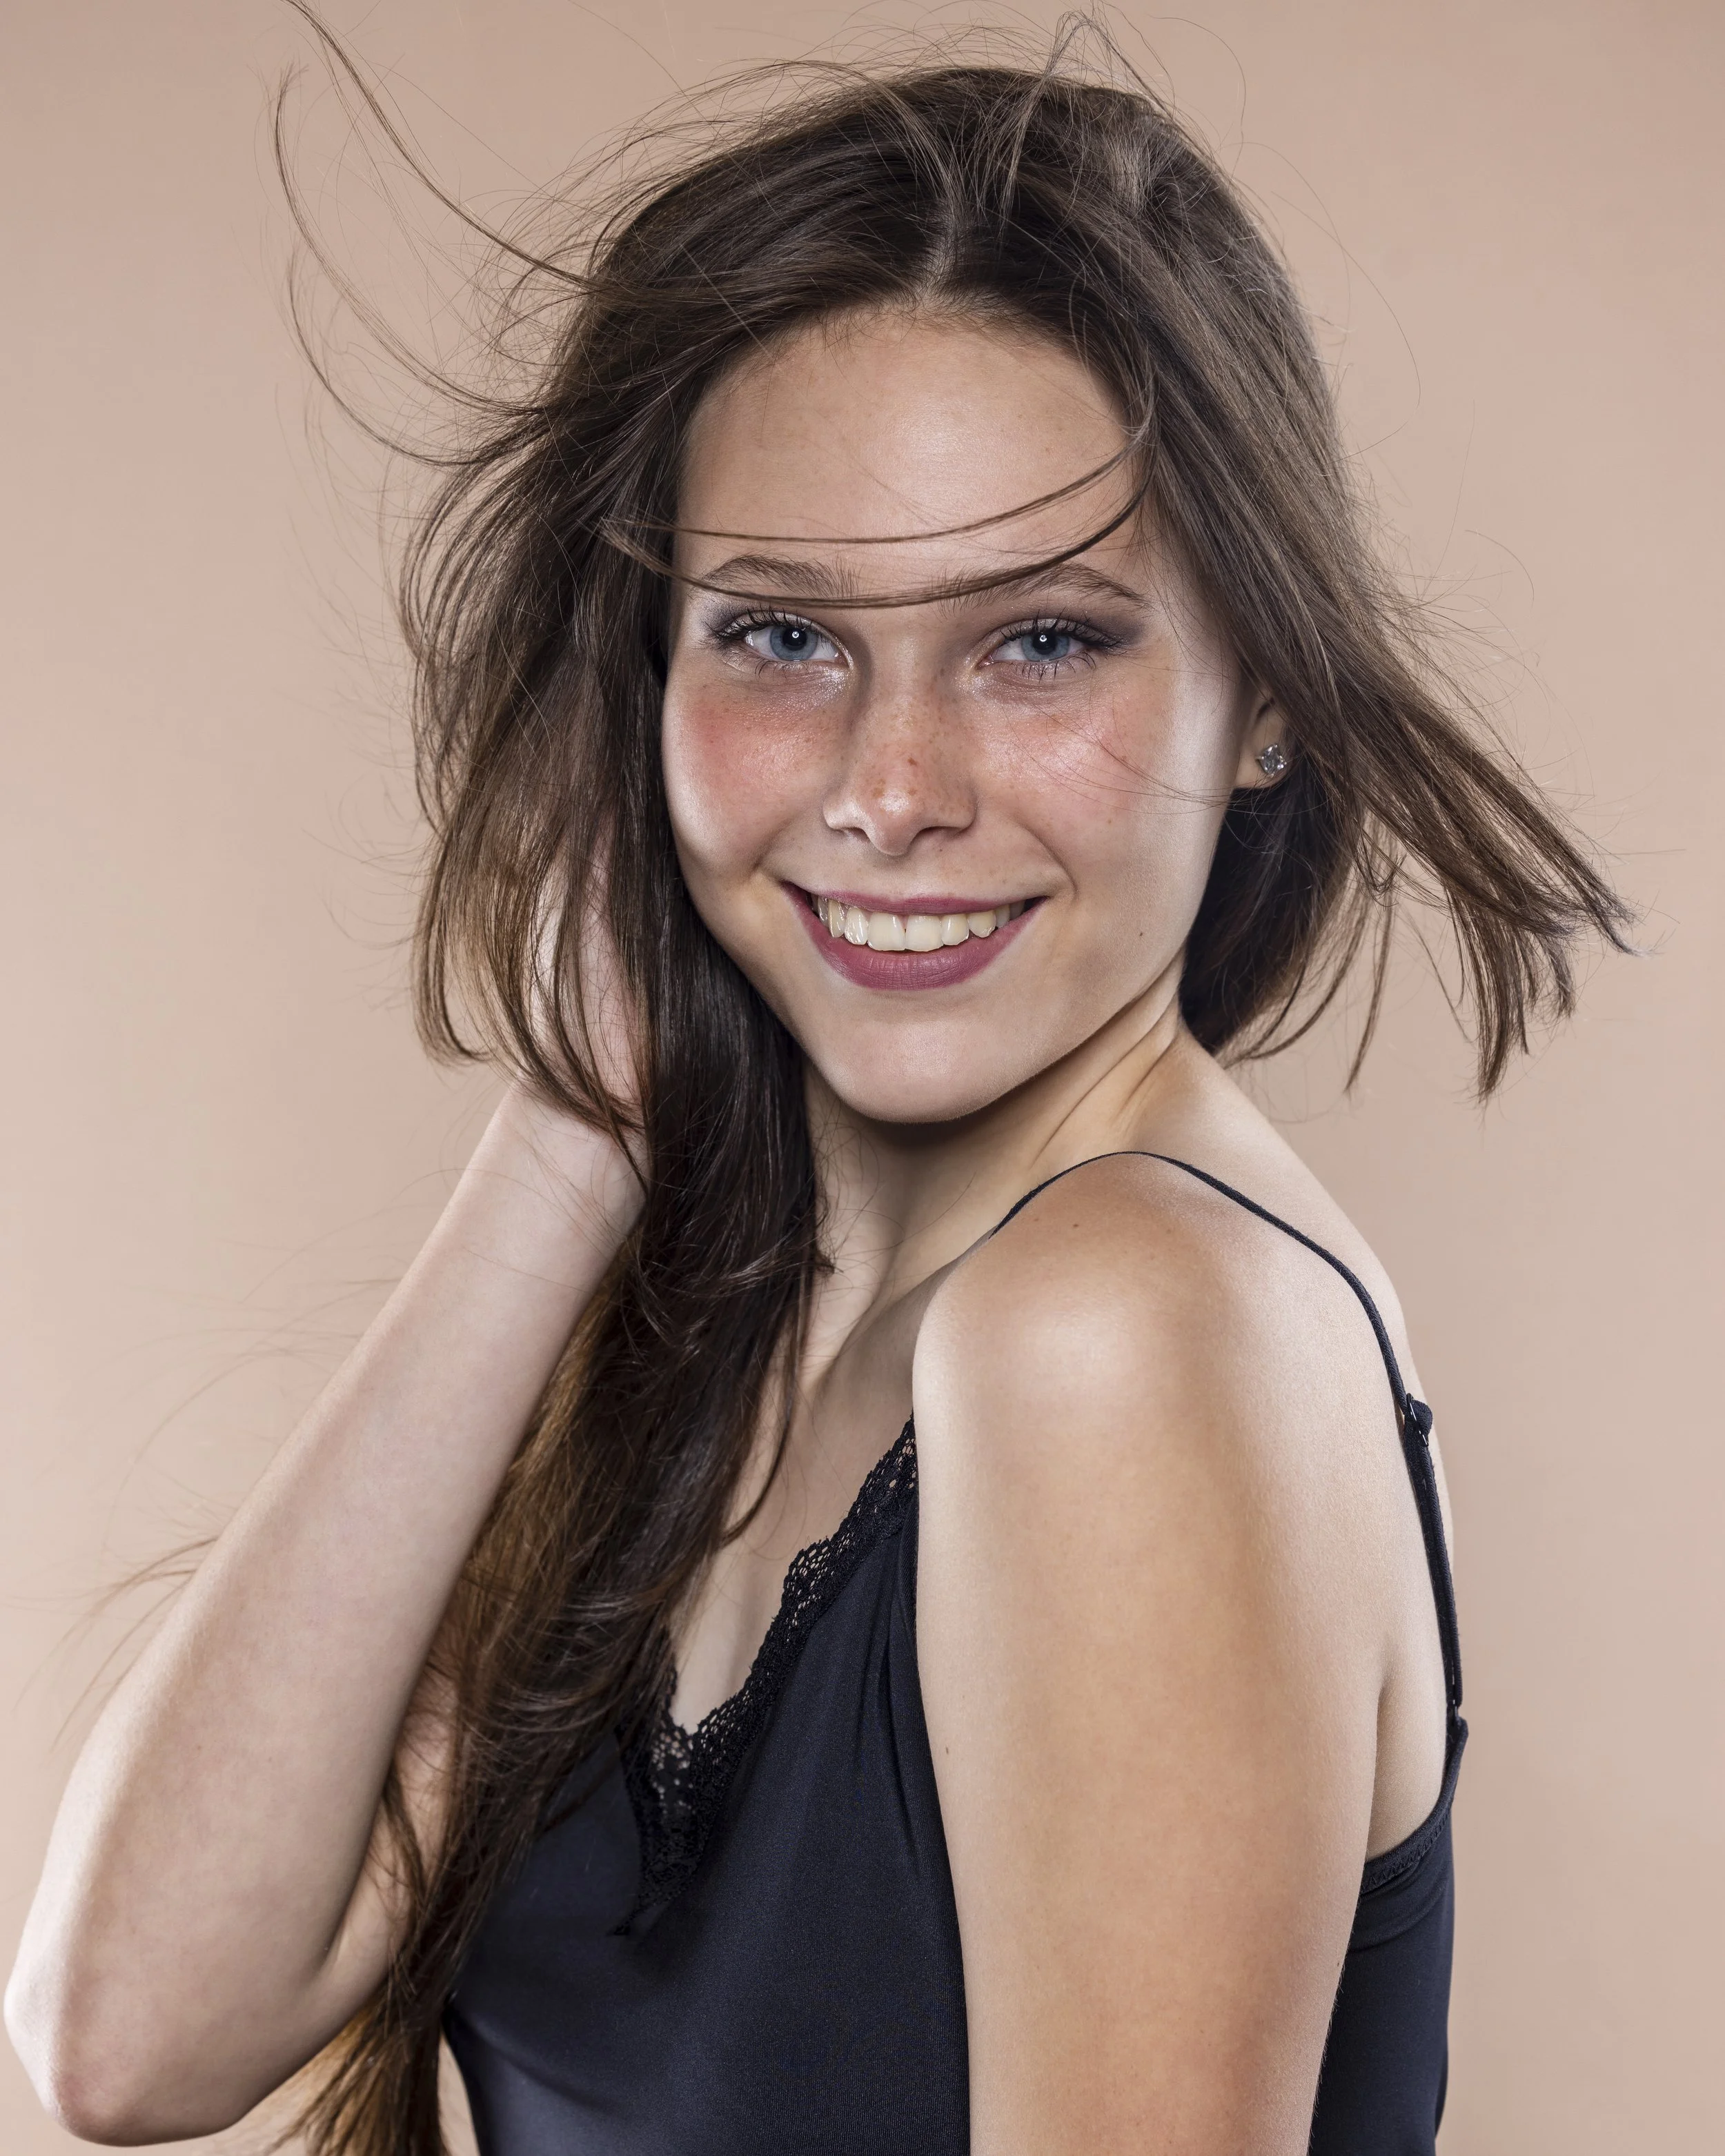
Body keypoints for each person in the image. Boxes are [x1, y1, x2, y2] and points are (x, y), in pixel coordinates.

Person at [5, 34, 1626, 2156]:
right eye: (780, 636)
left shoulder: (1119, 1324)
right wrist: (578, 1128)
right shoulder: (727, 1335)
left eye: (1041, 641)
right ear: (640, 689)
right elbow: (128, 2029)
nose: (890, 788)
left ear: (1263, 701)